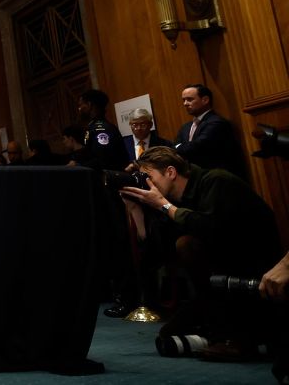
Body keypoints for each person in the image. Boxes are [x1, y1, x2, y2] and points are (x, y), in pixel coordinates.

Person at [120, 146, 280, 357]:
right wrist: (135, 210)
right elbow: (155, 255)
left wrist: (165, 207)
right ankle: (225, 331)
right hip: (215, 282)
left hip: (252, 270)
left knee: (186, 244)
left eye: (149, 177)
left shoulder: (216, 180)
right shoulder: (171, 200)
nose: (148, 184)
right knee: (168, 334)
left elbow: (212, 229)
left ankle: (242, 336)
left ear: (170, 172)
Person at [174, 84, 244, 176]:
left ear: (205, 100)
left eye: (190, 99)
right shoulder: (186, 127)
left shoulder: (216, 122)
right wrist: (178, 147)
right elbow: (174, 147)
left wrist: (179, 147)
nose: (185, 103)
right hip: (195, 178)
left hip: (217, 178)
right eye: (184, 100)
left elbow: (195, 147)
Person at [74, 89, 128, 171]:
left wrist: (78, 165)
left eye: (81, 105)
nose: (79, 109)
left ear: (89, 104)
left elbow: (103, 160)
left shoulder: (101, 129)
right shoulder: (94, 127)